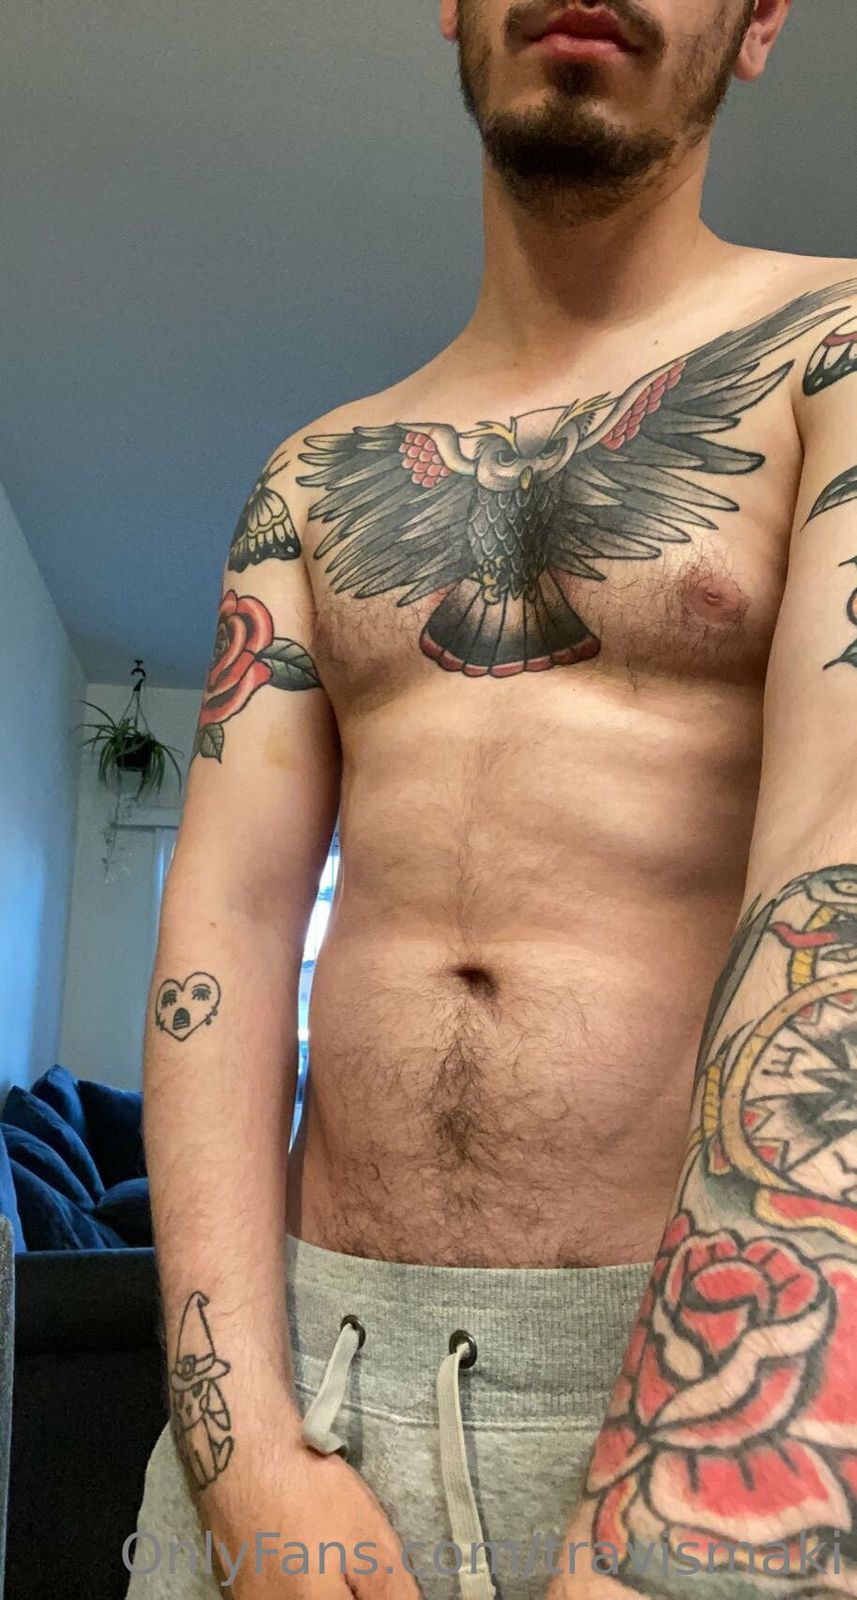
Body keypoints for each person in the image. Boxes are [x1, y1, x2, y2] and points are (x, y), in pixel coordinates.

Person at [126, 2, 857, 1597]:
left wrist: (686, 1509)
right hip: (296, 1387)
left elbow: (836, 877)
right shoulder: (311, 475)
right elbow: (224, 927)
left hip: (710, 1378)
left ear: (758, 22)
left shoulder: (835, 355)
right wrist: (241, 1450)